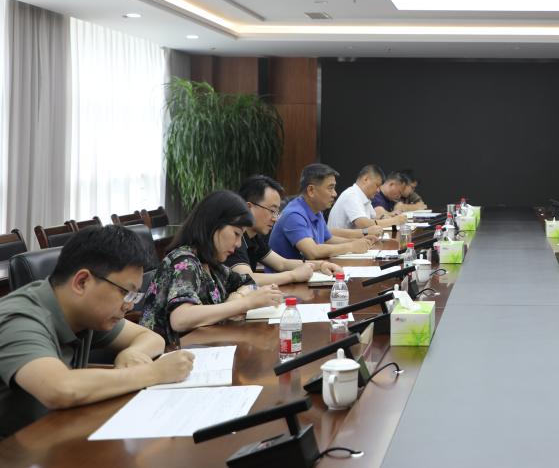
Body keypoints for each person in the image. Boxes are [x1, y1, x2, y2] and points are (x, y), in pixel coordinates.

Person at [0, 226, 195, 436]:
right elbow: (59, 388)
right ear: (82, 282)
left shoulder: (85, 313)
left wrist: (131, 353)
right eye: (125, 293)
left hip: (59, 433)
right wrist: (154, 373)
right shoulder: (18, 318)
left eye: (134, 296)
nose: (129, 305)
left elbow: (150, 338)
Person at [141, 190, 284, 343]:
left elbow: (247, 282)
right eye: (236, 234)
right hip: (164, 353)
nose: (238, 244)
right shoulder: (185, 262)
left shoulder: (212, 265)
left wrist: (237, 296)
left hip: (199, 347)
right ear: (213, 225)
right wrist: (245, 303)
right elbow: (180, 319)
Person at [228, 175, 345, 285]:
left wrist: (321, 265)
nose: (275, 218)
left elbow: (282, 263)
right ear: (249, 207)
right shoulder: (234, 238)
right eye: (272, 210)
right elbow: (246, 278)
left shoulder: (253, 237)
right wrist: (293, 276)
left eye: (277, 212)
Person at [270, 163, 380, 261]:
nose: (335, 194)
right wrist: (351, 246)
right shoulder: (294, 215)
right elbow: (312, 252)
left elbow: (328, 239)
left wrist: (358, 241)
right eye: (330, 188)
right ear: (311, 190)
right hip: (287, 277)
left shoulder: (316, 210)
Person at [329, 164, 406, 231]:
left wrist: (384, 217)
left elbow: (372, 219)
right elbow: (363, 224)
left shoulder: (364, 197)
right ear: (366, 179)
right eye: (377, 186)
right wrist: (394, 221)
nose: (378, 190)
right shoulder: (352, 195)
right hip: (340, 242)